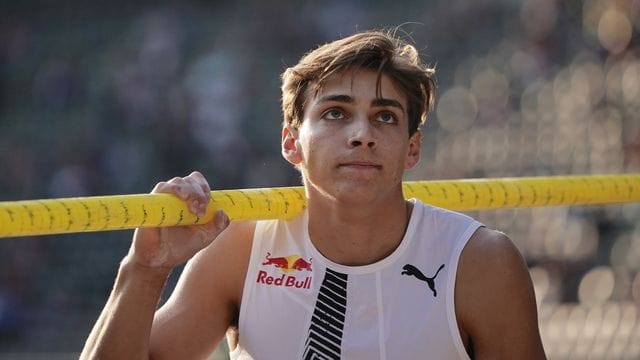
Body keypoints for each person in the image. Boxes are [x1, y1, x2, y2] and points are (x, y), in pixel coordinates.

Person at [81, 30, 546, 359]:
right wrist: (144, 270)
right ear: (290, 142)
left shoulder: (481, 262)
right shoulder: (240, 249)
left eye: (384, 117)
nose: (362, 134)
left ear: (413, 148)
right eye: (336, 114)